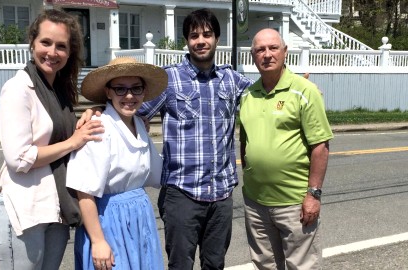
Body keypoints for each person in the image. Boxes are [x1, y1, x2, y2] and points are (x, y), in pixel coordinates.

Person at [136, 8, 254, 269]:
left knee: (215, 264)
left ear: (217, 39)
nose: (201, 40)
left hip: (221, 194)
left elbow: (264, 96)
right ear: (187, 41)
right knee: (180, 265)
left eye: (207, 34)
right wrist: (95, 113)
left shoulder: (231, 80)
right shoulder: (169, 80)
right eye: (194, 35)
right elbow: (132, 110)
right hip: (182, 194)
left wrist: (297, 86)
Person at [0, 9, 103, 270]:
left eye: (61, 46)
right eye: (46, 42)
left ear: (70, 52)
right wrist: (74, 141)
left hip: (55, 205)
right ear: (32, 43)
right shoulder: (19, 89)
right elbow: (19, 158)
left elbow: (64, 132)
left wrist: (88, 115)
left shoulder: (59, 92)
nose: (52, 52)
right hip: (24, 207)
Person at [238, 28, 333, 269]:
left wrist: (313, 195)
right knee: (265, 264)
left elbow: (320, 147)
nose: (267, 54)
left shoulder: (304, 91)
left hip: (294, 202)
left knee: (301, 266)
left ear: (285, 52)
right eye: (260, 50)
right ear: (253, 56)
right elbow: (244, 142)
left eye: (273, 48)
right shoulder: (248, 95)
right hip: (256, 202)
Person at [66, 57, 167, 270]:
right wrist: (98, 241)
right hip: (109, 221)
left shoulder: (139, 124)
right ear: (108, 92)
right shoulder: (99, 127)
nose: (129, 95)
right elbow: (84, 191)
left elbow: (155, 173)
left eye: (136, 88)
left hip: (138, 218)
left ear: (144, 92)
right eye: (120, 89)